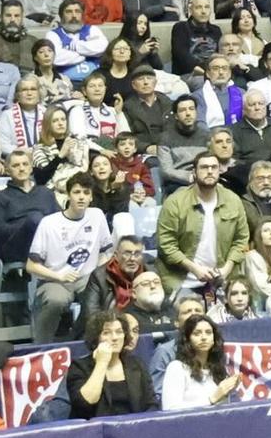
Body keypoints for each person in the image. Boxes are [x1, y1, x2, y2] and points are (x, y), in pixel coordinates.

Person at [27, 170, 112, 341]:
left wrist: (97, 271)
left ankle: (85, 339)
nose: (81, 197)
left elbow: (106, 252)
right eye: (76, 192)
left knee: (105, 290)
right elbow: (31, 265)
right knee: (56, 300)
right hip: (54, 278)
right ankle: (42, 345)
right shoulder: (49, 223)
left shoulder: (97, 216)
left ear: (91, 197)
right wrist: (58, 275)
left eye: (86, 193)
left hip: (86, 278)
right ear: (68, 195)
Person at [156, 149, 250, 296]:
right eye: (204, 167)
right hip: (182, 280)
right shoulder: (175, 202)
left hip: (222, 278)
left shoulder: (233, 200)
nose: (210, 171)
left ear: (220, 171)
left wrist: (226, 268)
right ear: (194, 172)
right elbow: (166, 245)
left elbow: (241, 239)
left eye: (214, 167)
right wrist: (194, 268)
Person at [66, 308, 159, 418]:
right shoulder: (79, 367)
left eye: (119, 332)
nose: (114, 338)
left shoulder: (136, 364)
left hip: (134, 429)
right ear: (96, 337)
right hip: (95, 431)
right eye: (106, 333)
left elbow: (151, 404)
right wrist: (101, 363)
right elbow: (85, 403)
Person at [161, 314, 242, 410]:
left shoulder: (218, 369)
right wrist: (212, 399)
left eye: (208, 332)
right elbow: (170, 409)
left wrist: (227, 392)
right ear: (187, 339)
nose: (204, 337)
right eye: (197, 333)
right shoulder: (176, 368)